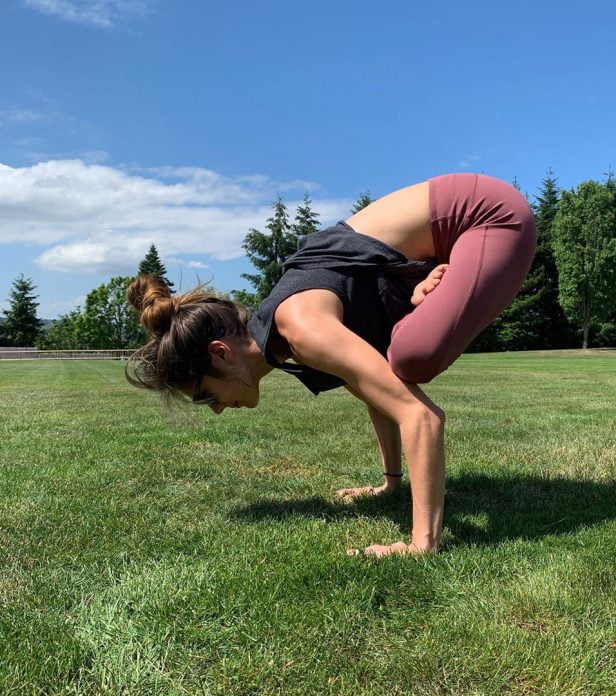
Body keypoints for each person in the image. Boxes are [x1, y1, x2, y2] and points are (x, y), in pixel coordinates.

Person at [126, 173, 537, 557]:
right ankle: (425, 283)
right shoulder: (282, 336)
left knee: (412, 356)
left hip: (486, 215)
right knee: (390, 368)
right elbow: (372, 392)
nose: (215, 408)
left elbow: (419, 416)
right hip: (448, 236)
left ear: (220, 353)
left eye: (204, 395)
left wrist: (419, 543)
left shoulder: (301, 327)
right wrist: (391, 484)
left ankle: (426, 540)